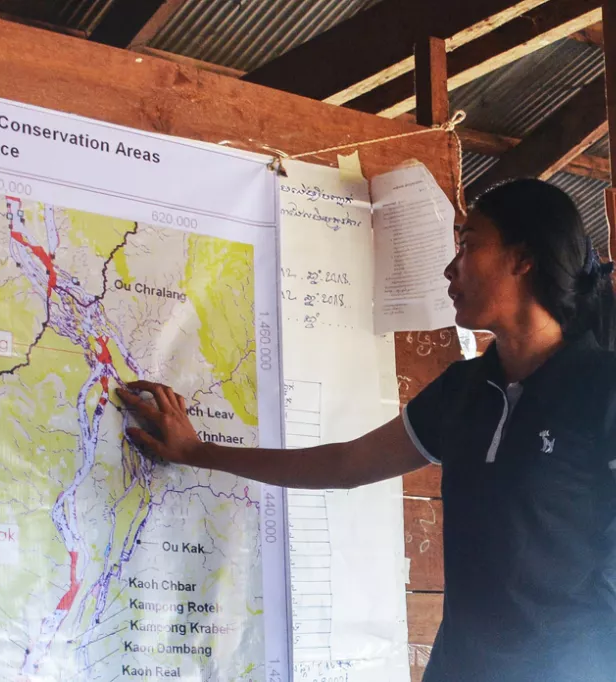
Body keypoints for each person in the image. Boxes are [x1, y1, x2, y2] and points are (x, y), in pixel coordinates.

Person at [118, 178, 616, 682]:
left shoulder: (602, 390)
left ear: (522, 259)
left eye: (467, 245)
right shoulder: (464, 390)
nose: (450, 267)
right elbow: (344, 464)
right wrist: (196, 451)